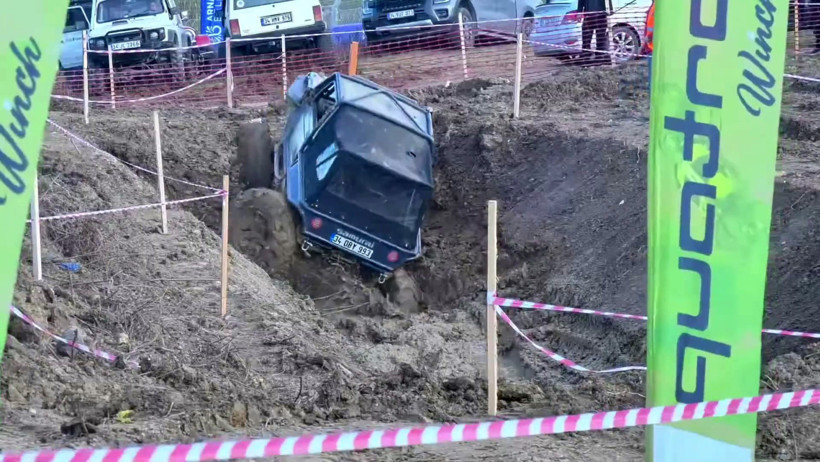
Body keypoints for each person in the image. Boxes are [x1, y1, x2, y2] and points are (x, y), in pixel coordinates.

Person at [578, 0, 610, 65]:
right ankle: (585, 59)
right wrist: (579, 11)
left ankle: (600, 58)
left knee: (600, 39)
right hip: (588, 15)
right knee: (586, 39)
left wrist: (610, 9)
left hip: (601, 15)